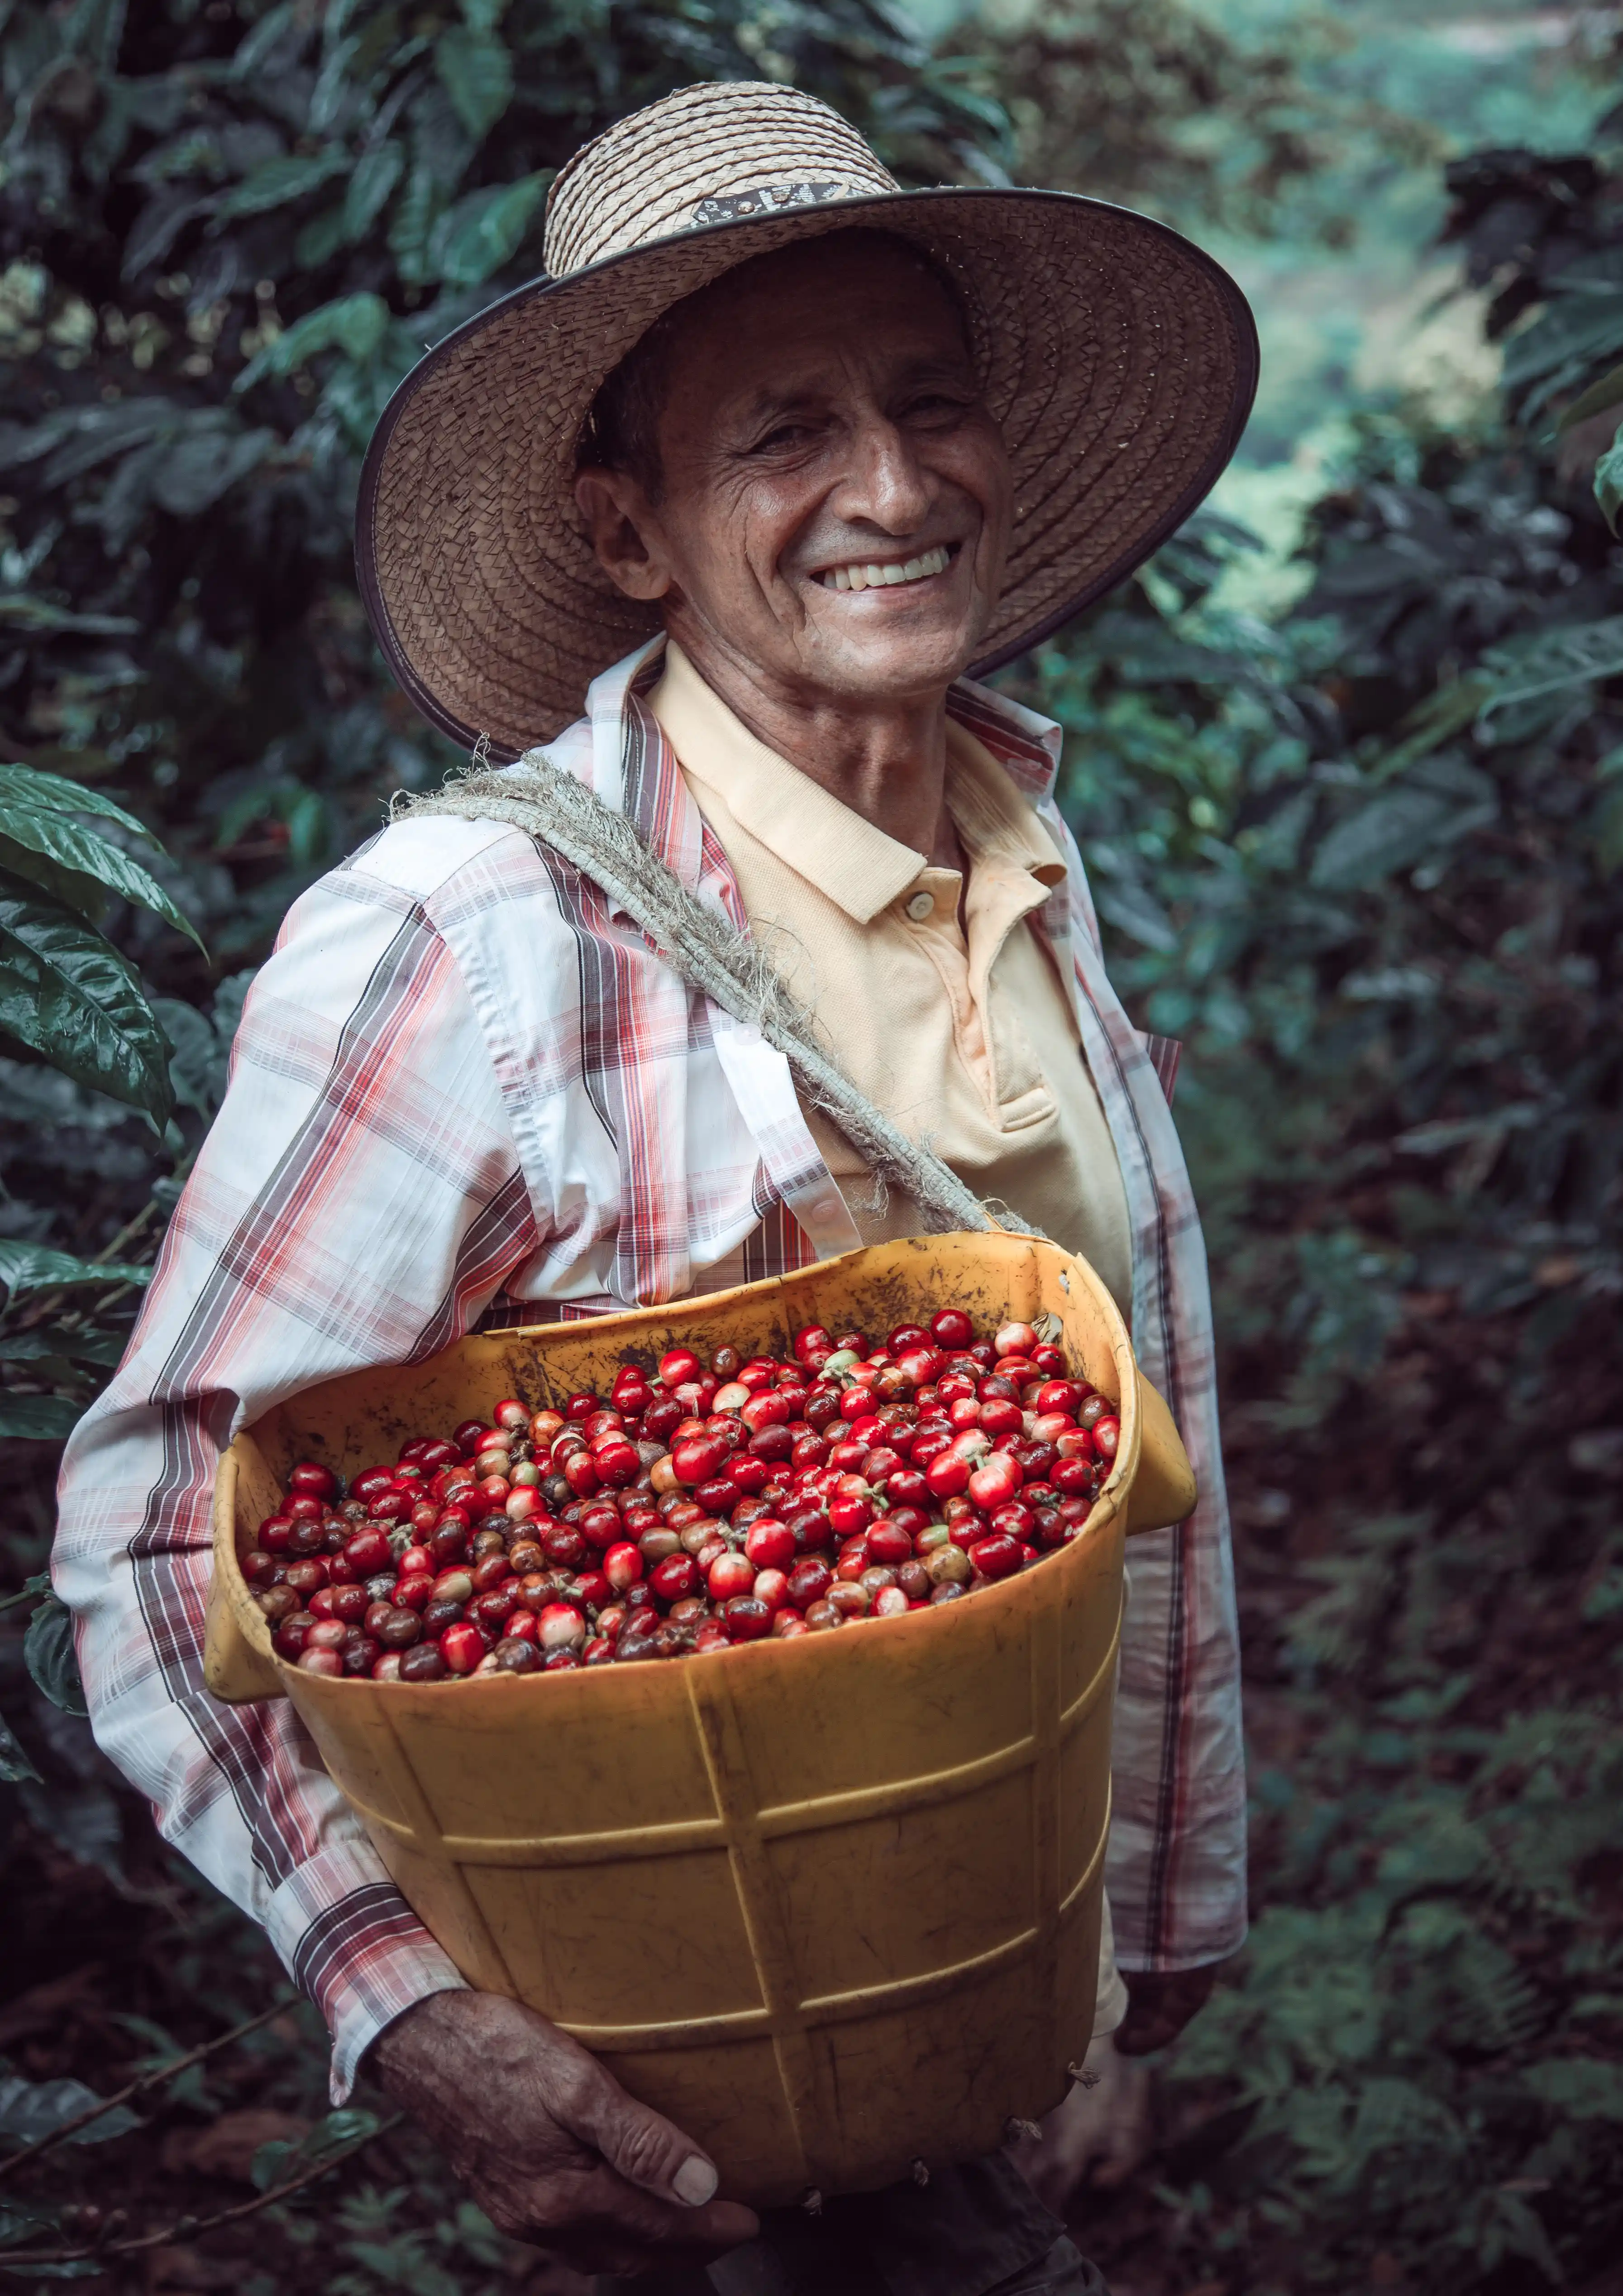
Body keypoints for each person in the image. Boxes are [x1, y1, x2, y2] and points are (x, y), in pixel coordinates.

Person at [53, 80, 1255, 2296]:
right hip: (678, 2114)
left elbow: (1103, 1472)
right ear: (628, 531)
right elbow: (153, 1522)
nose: (889, 489)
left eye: (926, 405)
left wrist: (1100, 1980)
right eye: (780, 433)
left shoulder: (1013, 852)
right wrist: (404, 2006)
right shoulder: (470, 939)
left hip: (964, 2027)